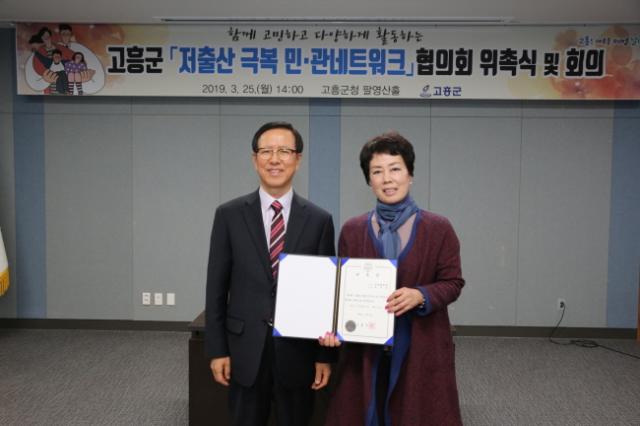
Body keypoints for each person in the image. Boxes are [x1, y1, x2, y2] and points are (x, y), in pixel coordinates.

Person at [320, 131, 465, 425]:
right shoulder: (352, 230)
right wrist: (332, 326)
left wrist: (421, 295)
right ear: (369, 180)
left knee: (415, 412)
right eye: (377, 171)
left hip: (420, 342)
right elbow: (342, 291)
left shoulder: (439, 228)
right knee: (365, 410)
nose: (387, 179)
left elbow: (453, 282)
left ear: (410, 174)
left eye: (395, 169)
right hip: (365, 348)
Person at [205, 121, 336, 426]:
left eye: (284, 151)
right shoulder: (228, 215)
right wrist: (217, 350)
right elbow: (215, 288)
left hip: (298, 352)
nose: (274, 159)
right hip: (244, 349)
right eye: (266, 151)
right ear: (255, 159)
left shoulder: (319, 220)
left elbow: (325, 293)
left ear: (298, 159)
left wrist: (324, 356)